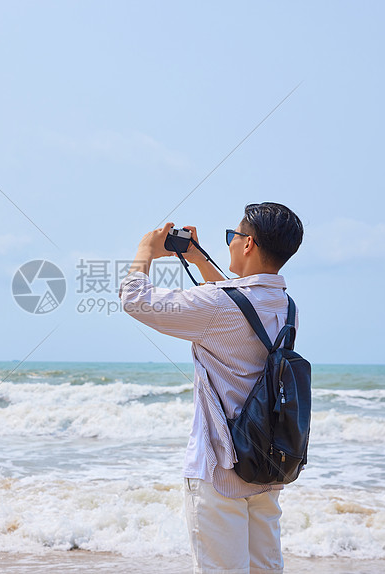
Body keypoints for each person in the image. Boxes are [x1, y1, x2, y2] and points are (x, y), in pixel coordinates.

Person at [119, 202, 304, 574]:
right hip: (266, 464)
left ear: (248, 244)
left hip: (220, 469)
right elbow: (238, 301)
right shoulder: (287, 306)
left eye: (232, 237)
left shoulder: (218, 306)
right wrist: (200, 260)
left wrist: (144, 251)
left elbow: (134, 300)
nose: (230, 244)